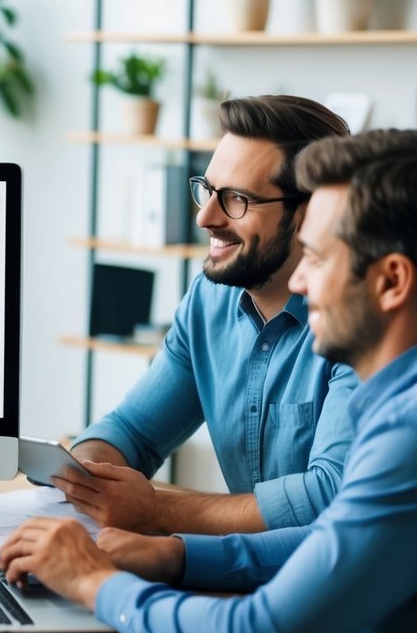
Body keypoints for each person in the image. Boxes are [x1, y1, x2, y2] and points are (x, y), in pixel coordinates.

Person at [0, 129, 417, 633]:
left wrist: (92, 582)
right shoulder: (394, 405)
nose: (301, 281)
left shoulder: (406, 436)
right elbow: (339, 539)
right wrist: (176, 555)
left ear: (390, 281)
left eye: (316, 256)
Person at [60, 95, 356, 535]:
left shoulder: (362, 318)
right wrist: (82, 474)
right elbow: (134, 432)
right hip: (239, 576)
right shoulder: (209, 300)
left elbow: (330, 497)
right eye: (208, 190)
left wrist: (157, 513)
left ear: (307, 213)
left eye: (237, 199)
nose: (205, 217)